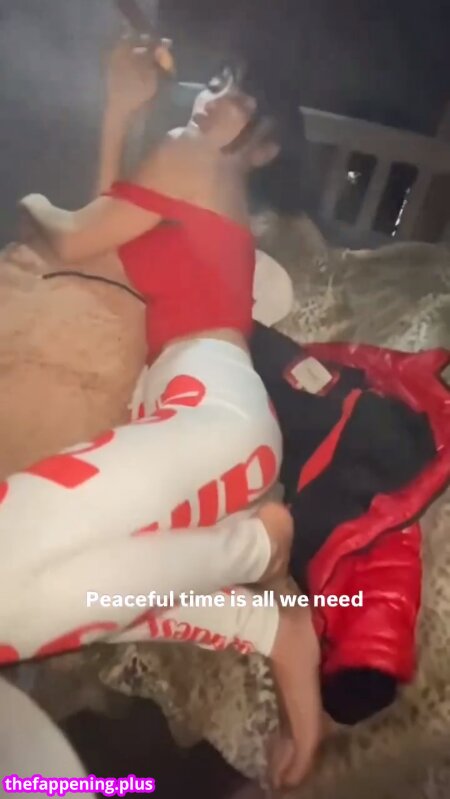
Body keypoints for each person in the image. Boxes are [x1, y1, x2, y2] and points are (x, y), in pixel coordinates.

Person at [4, 38, 321, 789]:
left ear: (266, 146)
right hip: (194, 423)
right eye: (218, 79)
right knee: (28, 597)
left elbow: (72, 233)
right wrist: (120, 112)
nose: (214, 95)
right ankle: (268, 622)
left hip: (210, 409)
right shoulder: (193, 197)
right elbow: (103, 248)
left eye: (240, 94)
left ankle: (255, 551)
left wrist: (28, 202)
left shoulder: (191, 155)